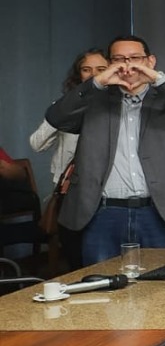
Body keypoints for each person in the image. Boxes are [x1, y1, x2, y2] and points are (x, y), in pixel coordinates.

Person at [45, 35, 165, 264]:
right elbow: (56, 117)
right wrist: (97, 82)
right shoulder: (95, 98)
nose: (128, 65)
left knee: (160, 281)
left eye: (135, 58)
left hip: (158, 211)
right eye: (119, 59)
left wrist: (156, 78)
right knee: (101, 280)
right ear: (110, 63)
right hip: (102, 212)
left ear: (150, 61)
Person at [29, 48, 108, 267]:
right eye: (86, 69)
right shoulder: (65, 106)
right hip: (72, 194)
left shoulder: (121, 107)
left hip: (109, 196)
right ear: (78, 75)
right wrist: (64, 112)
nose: (93, 75)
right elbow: (37, 144)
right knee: (76, 259)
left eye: (101, 69)